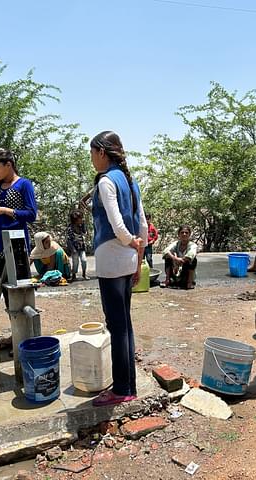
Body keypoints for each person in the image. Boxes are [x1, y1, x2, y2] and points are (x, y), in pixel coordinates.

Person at [89, 131, 147, 407]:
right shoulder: (130, 181)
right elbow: (143, 223)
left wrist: (128, 240)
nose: (92, 160)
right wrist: (139, 251)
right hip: (128, 259)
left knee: (117, 325)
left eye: (92, 154)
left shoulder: (105, 182)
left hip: (111, 258)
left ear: (102, 152)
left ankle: (122, 388)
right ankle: (128, 384)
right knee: (125, 324)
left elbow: (116, 223)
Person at [0, 148, 37, 305]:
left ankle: (27, 326)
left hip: (18, 246)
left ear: (8, 164)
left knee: (21, 287)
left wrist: (5, 210)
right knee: (7, 290)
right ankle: (15, 324)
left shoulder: (24, 185)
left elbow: (31, 214)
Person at [66, 210, 89, 281]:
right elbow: (68, 240)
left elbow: (84, 232)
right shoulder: (70, 228)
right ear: (75, 220)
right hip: (74, 248)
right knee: (75, 262)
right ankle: (74, 274)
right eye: (80, 218)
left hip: (81, 247)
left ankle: (84, 273)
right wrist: (72, 249)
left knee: (84, 260)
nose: (82, 219)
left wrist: (84, 224)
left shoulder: (80, 226)